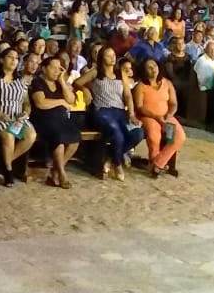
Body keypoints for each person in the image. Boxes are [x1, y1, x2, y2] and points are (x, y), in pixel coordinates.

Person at [78, 46, 143, 180]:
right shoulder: (96, 72)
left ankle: (110, 157)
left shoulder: (121, 74)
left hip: (120, 112)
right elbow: (77, 82)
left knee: (138, 133)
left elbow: (128, 95)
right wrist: (85, 90)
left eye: (114, 55)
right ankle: (118, 164)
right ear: (102, 58)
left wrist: (131, 114)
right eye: (109, 55)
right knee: (116, 133)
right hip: (102, 111)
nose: (113, 58)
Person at [0, 46, 36, 186]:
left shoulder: (21, 81)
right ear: (2, 60)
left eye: (16, 58)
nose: (14, 60)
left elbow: (26, 103)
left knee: (31, 135)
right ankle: (8, 170)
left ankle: (4, 163)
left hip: (16, 118)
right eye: (10, 57)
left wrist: (26, 113)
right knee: (9, 135)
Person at [30, 56, 81, 188]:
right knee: (58, 138)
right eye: (53, 67)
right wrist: (60, 102)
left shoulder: (59, 83)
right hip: (43, 120)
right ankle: (62, 174)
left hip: (61, 120)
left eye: (59, 68)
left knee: (75, 138)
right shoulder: (38, 82)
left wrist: (62, 81)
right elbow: (40, 103)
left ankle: (55, 170)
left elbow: (70, 100)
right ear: (44, 68)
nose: (56, 71)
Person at [133, 57, 184, 177]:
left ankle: (157, 163)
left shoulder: (167, 83)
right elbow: (140, 107)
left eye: (154, 66)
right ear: (144, 71)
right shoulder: (141, 86)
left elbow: (173, 104)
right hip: (148, 116)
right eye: (149, 68)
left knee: (178, 136)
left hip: (166, 116)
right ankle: (156, 167)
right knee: (154, 136)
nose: (153, 69)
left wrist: (169, 115)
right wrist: (156, 117)